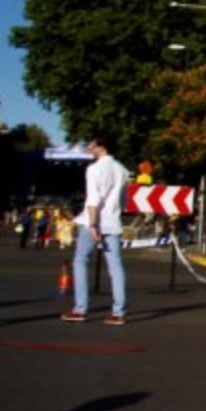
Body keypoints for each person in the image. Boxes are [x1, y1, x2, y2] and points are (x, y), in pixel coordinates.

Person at [61, 138, 131, 325]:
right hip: (113, 222)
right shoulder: (123, 170)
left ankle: (80, 309)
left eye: (91, 145)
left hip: (95, 220)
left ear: (101, 146)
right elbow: (124, 201)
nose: (89, 148)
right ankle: (118, 312)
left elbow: (93, 198)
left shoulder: (93, 169)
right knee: (115, 265)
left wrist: (92, 224)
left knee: (81, 261)